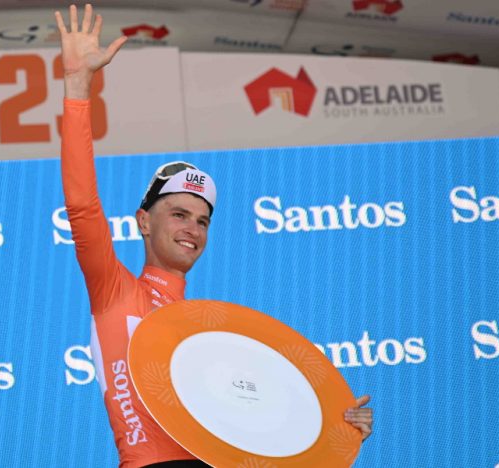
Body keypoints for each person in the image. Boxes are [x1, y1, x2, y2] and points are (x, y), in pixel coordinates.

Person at [55, 5, 373, 467]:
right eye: (179, 214)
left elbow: (265, 420)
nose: (192, 228)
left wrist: (339, 427)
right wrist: (78, 86)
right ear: (143, 221)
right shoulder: (114, 292)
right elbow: (82, 205)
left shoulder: (207, 334)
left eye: (202, 221)